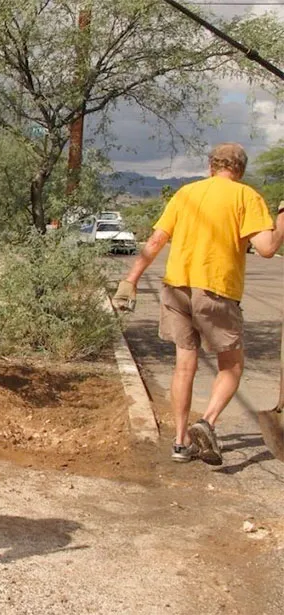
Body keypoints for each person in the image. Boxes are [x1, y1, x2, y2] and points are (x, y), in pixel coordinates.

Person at [113, 143, 284, 465]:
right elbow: (266, 249)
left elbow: (155, 241)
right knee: (231, 366)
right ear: (241, 169)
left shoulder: (186, 194)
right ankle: (206, 422)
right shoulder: (246, 197)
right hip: (216, 290)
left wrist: (131, 280)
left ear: (211, 166)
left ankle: (180, 444)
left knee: (184, 365)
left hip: (176, 288)